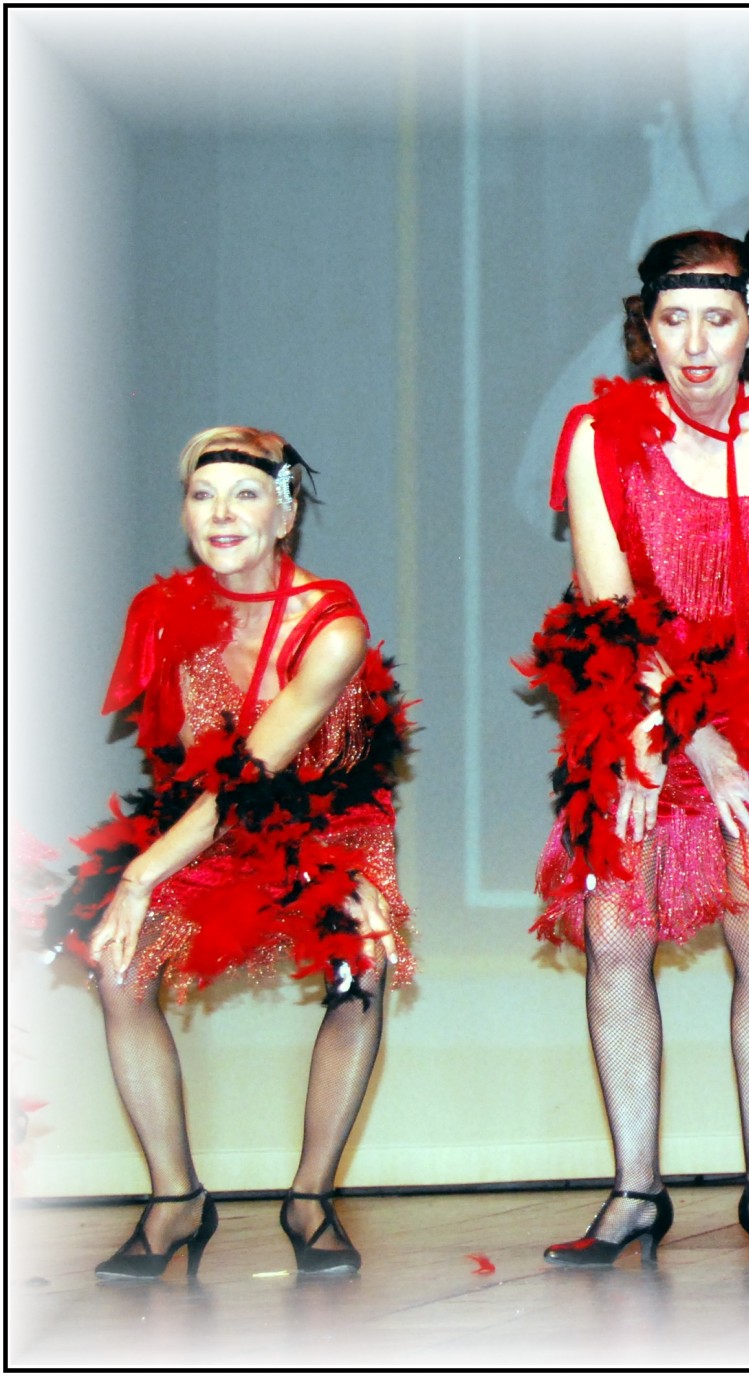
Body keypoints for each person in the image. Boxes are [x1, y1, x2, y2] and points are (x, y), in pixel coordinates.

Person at [521, 226, 749, 1265]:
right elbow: (608, 612)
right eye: (675, 320)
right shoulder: (596, 432)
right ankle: (635, 1191)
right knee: (616, 932)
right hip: (633, 703)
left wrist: (714, 743)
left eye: (718, 319)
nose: (697, 343)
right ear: (647, 330)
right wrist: (669, 738)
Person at [41, 427, 410, 1279]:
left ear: (285, 515)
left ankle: (310, 1199)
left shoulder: (333, 626)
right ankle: (176, 1200)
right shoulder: (165, 613)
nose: (221, 513)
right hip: (209, 820)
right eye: (202, 495)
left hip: (325, 822)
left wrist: (143, 875)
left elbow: (254, 771)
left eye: (245, 495)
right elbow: (182, 770)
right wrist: (141, 874)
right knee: (118, 966)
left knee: (362, 964)